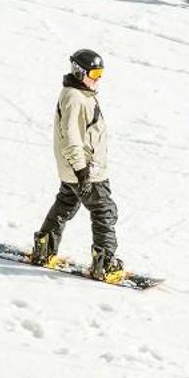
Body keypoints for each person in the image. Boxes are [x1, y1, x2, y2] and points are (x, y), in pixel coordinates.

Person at [28, 49, 123, 282]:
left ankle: (44, 248)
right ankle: (105, 263)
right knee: (104, 212)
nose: (98, 78)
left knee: (65, 205)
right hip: (86, 170)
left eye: (101, 73)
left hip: (75, 169)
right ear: (80, 72)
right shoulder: (75, 98)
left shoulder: (79, 94)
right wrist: (83, 174)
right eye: (94, 73)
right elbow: (71, 138)